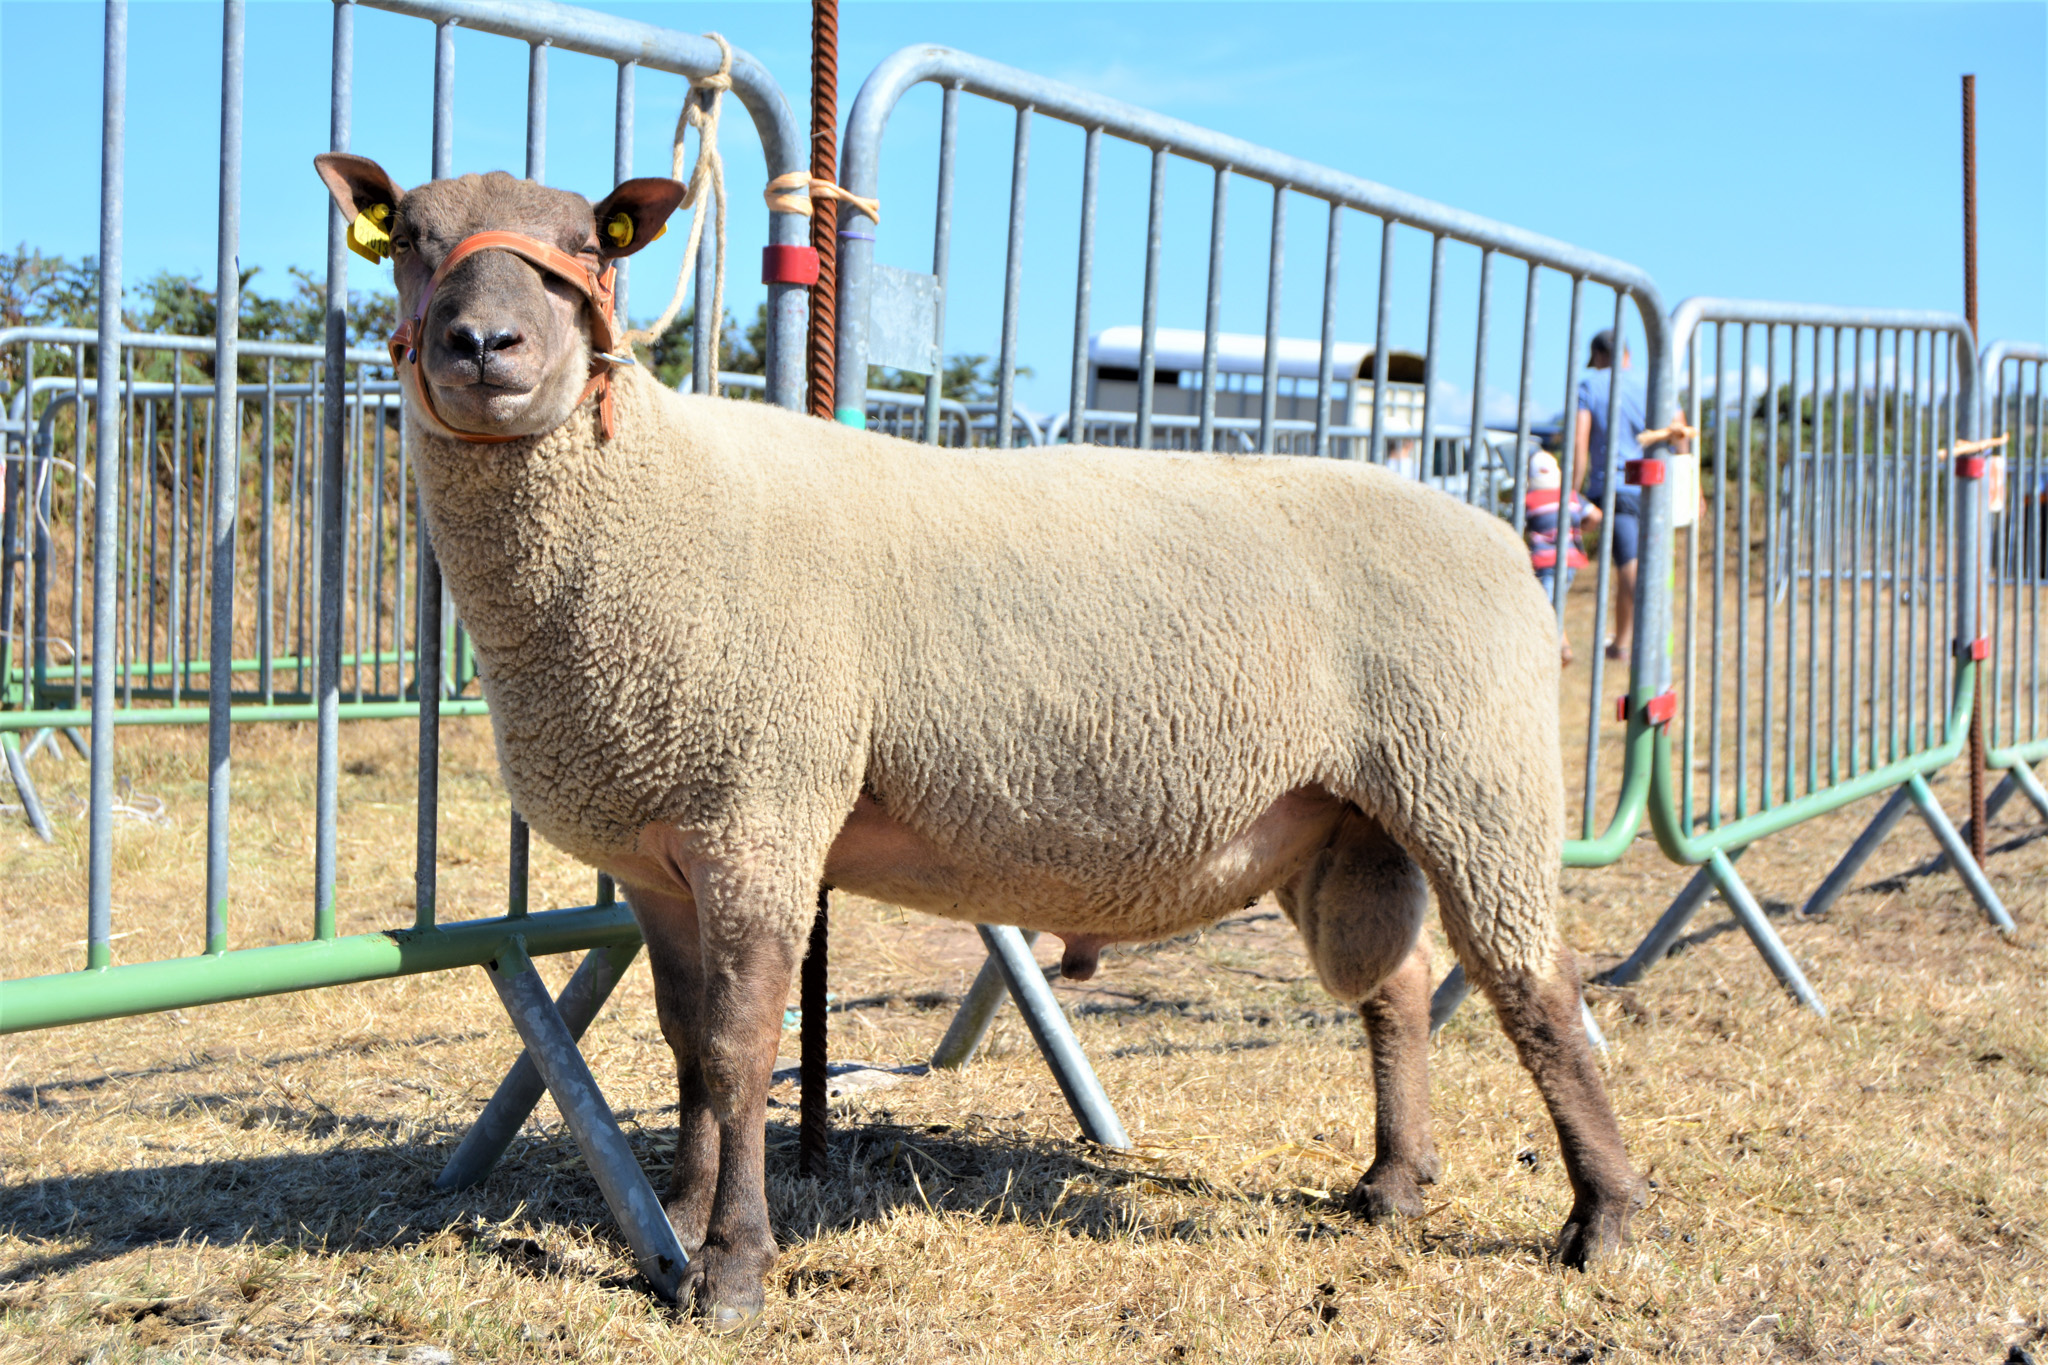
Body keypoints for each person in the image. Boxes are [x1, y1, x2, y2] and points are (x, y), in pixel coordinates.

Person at [1573, 328, 1686, 661]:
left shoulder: (1590, 385)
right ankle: (1650, 639)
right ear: (1627, 353)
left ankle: (1624, 643)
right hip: (1657, 487)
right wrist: (1688, 485)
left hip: (1616, 486)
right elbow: (1679, 431)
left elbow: (1580, 442)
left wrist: (1573, 491)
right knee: (1656, 563)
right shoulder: (1655, 383)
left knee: (1629, 567)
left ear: (1598, 356)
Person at [1525, 449, 1600, 664]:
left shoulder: (1529, 499)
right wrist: (1578, 530)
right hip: (1570, 560)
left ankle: (1561, 651)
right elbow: (1596, 516)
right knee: (1553, 603)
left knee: (1548, 605)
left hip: (1544, 561)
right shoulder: (1571, 496)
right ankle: (1561, 648)